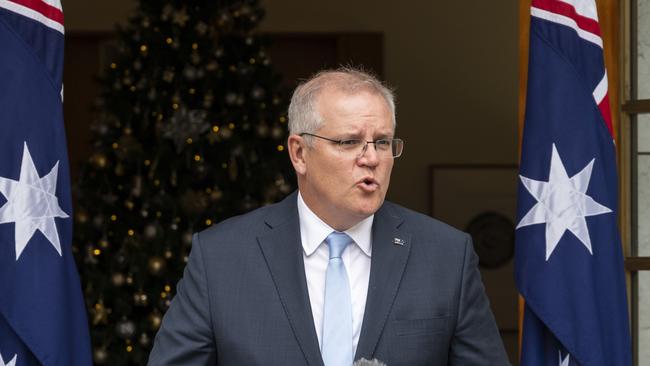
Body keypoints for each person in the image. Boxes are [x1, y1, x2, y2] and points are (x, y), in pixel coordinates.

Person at [148, 67, 509, 365]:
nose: (371, 158)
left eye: (382, 142)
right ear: (299, 153)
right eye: (349, 142)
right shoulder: (221, 258)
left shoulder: (446, 255)